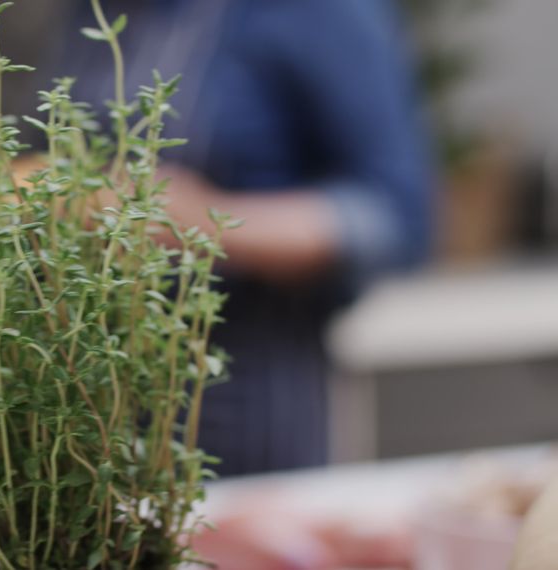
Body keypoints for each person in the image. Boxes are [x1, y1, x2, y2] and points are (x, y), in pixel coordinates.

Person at [59, 0, 435, 476]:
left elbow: (395, 218)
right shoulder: (93, 11)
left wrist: (199, 221)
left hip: (249, 417)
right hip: (95, 418)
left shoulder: (316, 12)